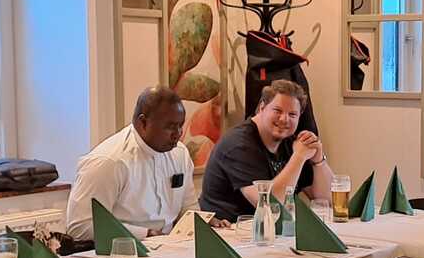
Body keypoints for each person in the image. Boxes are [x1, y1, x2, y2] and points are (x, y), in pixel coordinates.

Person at [66, 86, 198, 241]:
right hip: (124, 251)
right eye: (170, 127)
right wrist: (145, 233)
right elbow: (79, 227)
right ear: (143, 123)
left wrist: (204, 223)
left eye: (180, 125)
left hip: (171, 247)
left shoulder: (180, 154)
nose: (178, 134)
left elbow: (189, 208)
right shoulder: (109, 161)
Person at [199, 79, 332, 222]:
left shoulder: (290, 141)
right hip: (228, 230)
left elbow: (327, 201)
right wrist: (299, 157)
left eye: (292, 114)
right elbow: (270, 206)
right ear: (262, 107)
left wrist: (318, 160)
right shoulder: (239, 145)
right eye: (277, 111)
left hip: (269, 230)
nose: (284, 119)